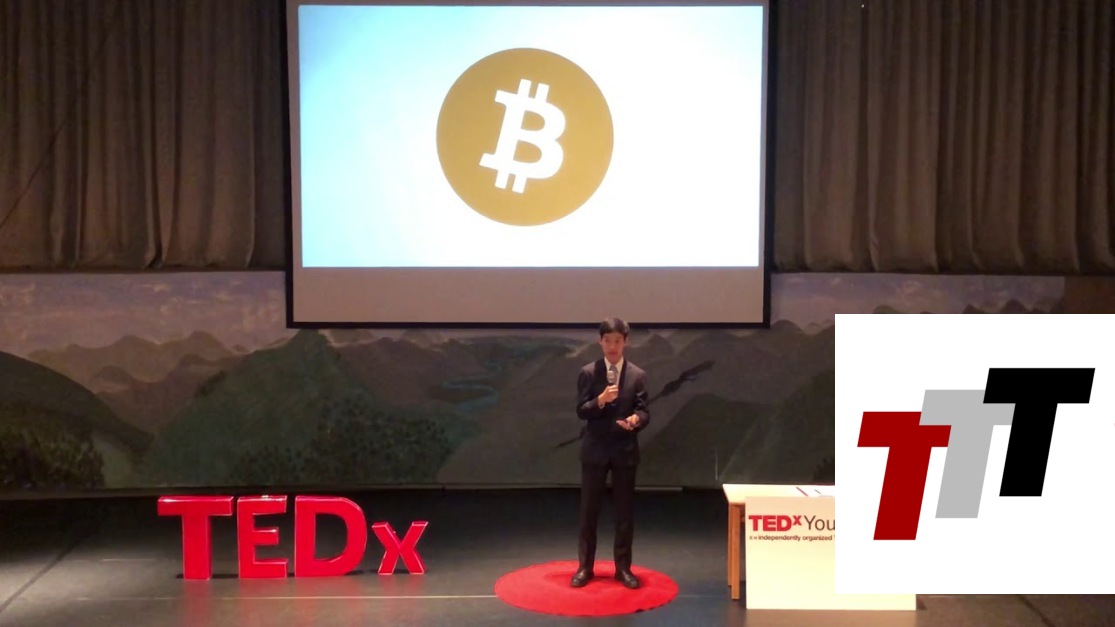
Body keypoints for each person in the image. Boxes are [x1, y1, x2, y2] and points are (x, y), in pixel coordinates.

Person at [571, 317, 650, 589]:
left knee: (624, 513)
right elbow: (582, 410)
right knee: (588, 512)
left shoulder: (637, 375)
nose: (612, 346)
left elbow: (644, 411)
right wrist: (600, 400)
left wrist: (636, 420)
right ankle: (585, 567)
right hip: (595, 450)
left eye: (617, 340)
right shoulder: (588, 373)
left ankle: (623, 568)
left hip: (624, 450)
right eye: (608, 341)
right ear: (600, 342)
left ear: (626, 342)